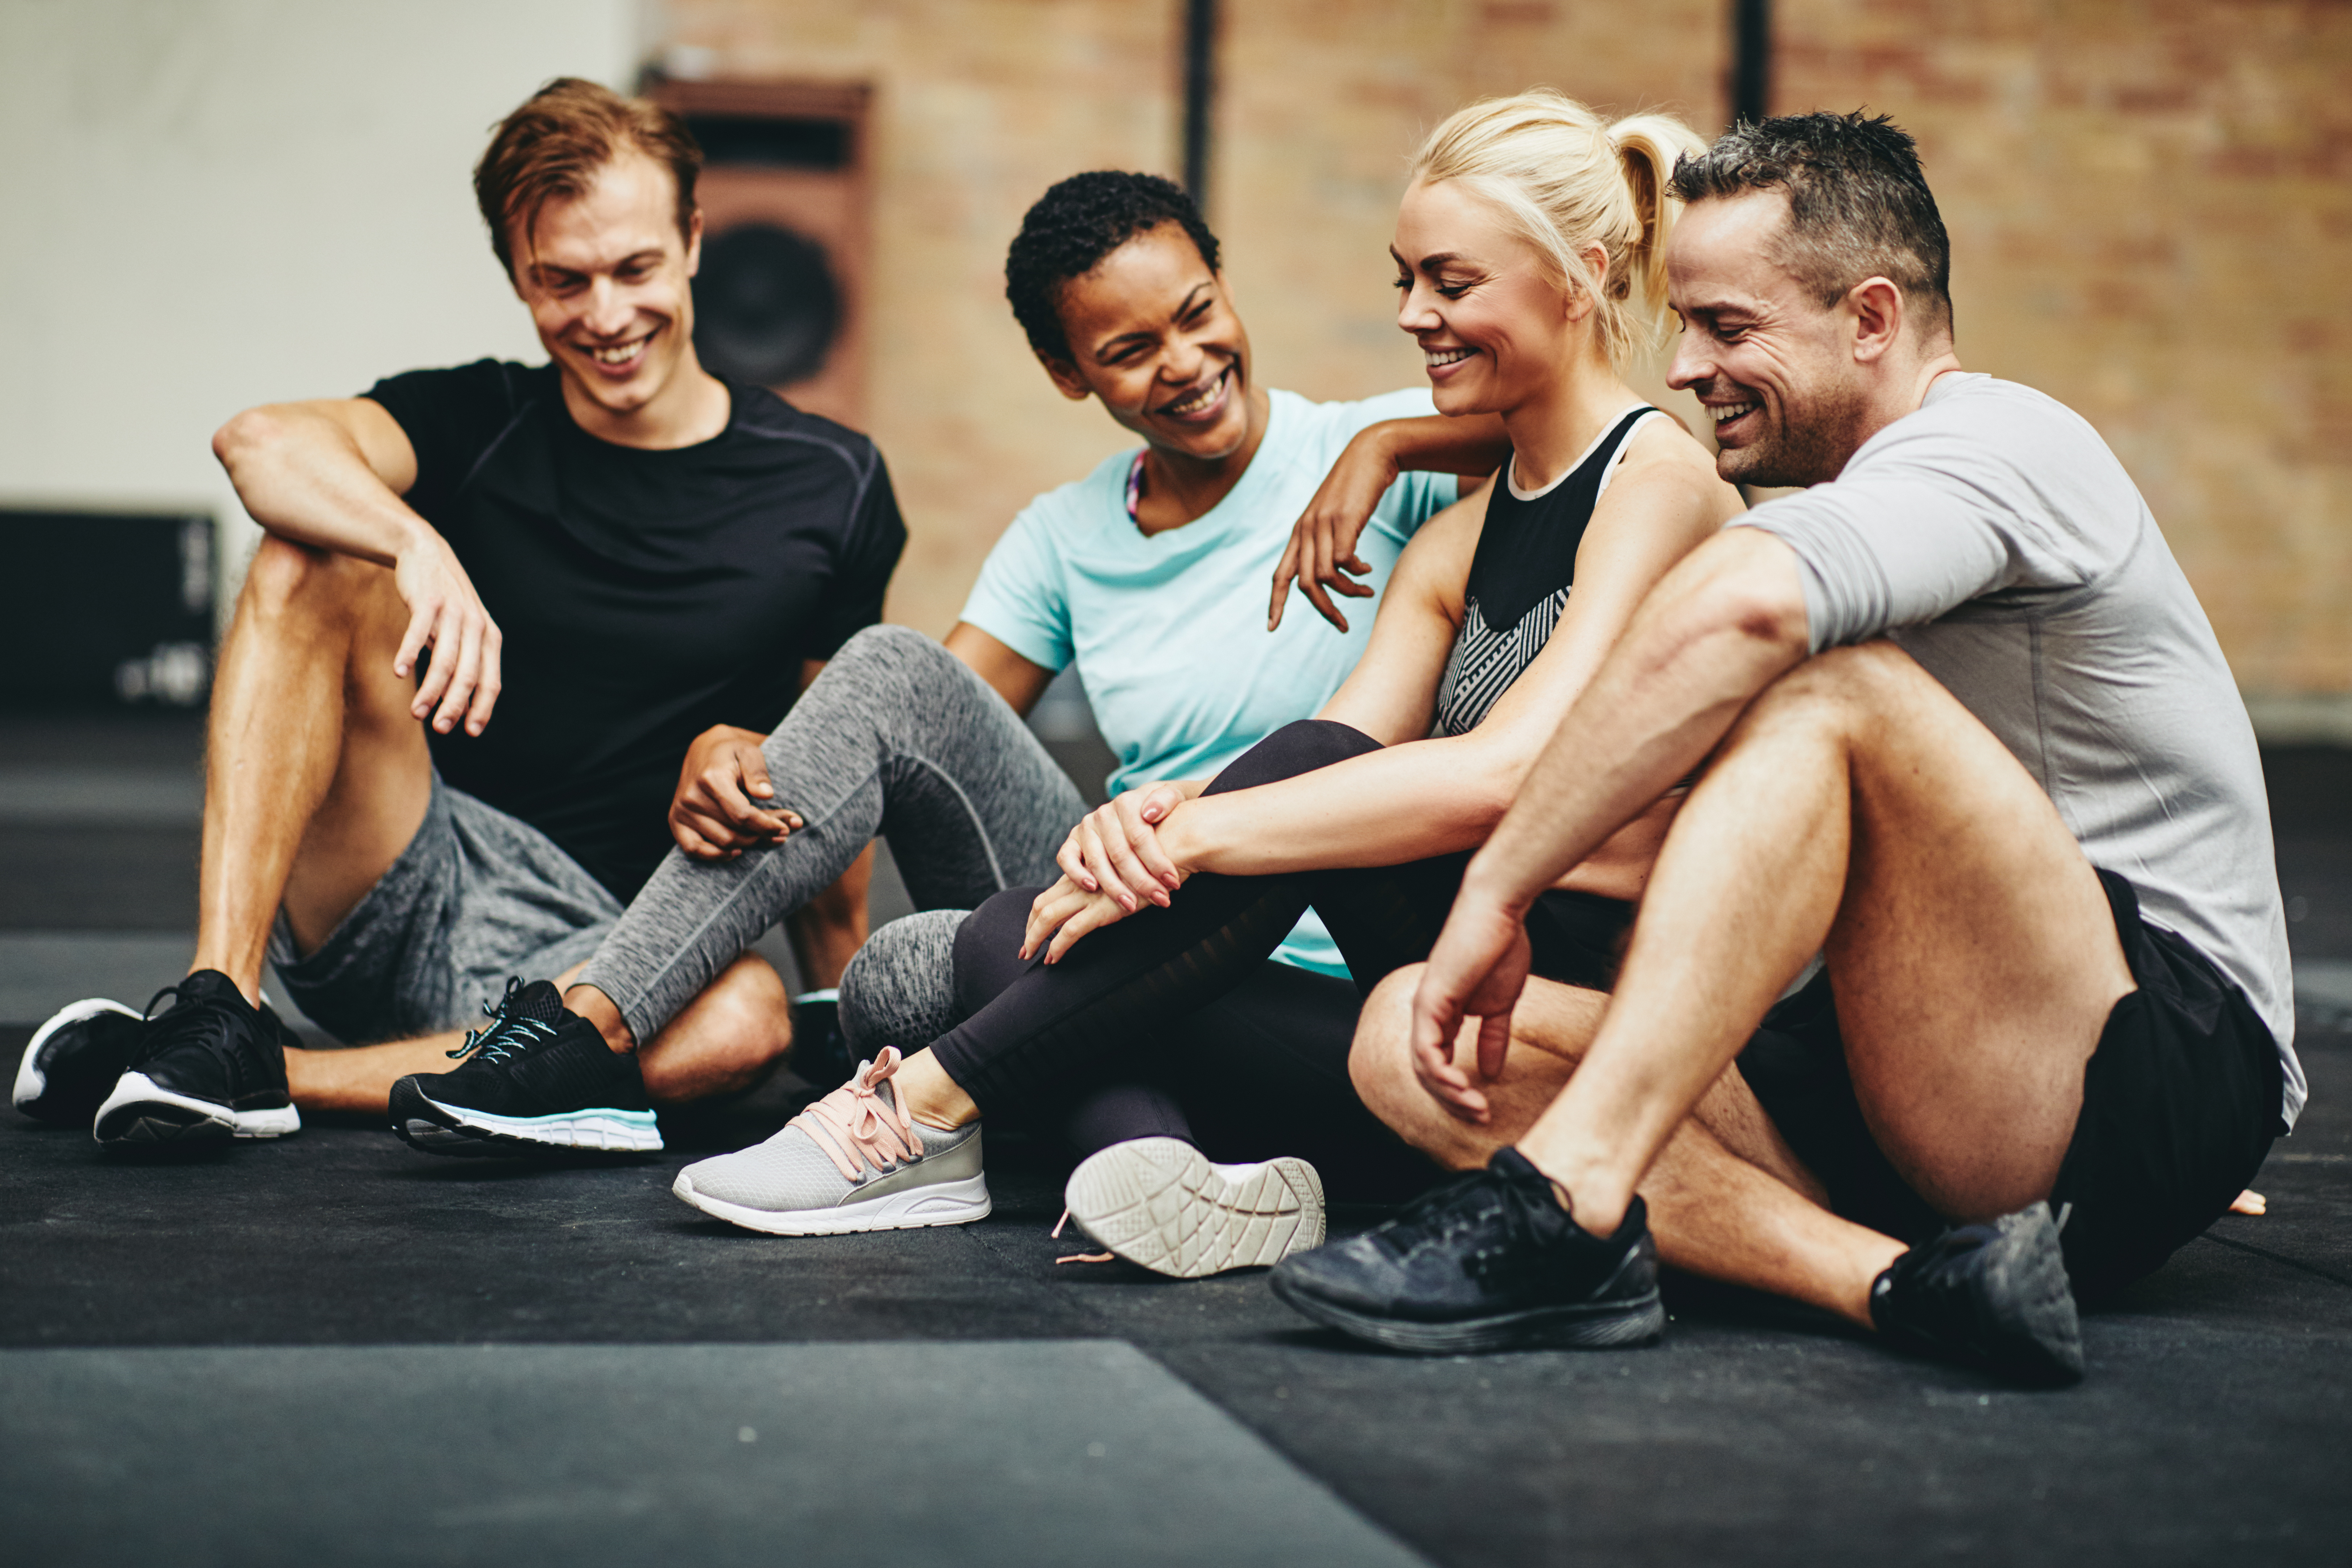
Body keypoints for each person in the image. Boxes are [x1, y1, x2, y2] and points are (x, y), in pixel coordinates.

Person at [1270, 111, 2301, 1386]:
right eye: (1686, 322)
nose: (1687, 365)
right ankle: (1906, 1285)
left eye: (1727, 328)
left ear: (1870, 319)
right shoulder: (1843, 501)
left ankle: (1570, 1201)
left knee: (1827, 693)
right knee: (1407, 1043)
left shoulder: (2002, 447)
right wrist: (1397, 438)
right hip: (1905, 1073)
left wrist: (1500, 887)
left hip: (2146, 1068)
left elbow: (1749, 610)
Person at [669, 92, 1748, 1266]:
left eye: (1449, 282)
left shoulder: (1661, 483)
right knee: (1008, 940)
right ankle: (1161, 1177)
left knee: (1143, 884)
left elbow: (1509, 775)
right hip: (1422, 1006)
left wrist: (1193, 835)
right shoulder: (1455, 541)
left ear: (1579, 274)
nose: (1412, 315)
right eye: (1406, 280)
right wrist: (1146, 825)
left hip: (1558, 1016)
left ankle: (918, 1113)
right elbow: (1343, 740)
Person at [378, 169, 1508, 1186]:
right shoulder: (1064, 537)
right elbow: (898, 731)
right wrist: (741, 748)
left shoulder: (1388, 454)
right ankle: (593, 1029)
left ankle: (1122, 1136)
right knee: (891, 959)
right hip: (1121, 898)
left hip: (1309, 949)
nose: (1187, 364)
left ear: (1224, 287)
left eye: (1199, 313)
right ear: (1070, 376)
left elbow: (1574, 423)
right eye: (1128, 351)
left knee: (953, 971)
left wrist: (1391, 448)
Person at [11, 79, 901, 1148]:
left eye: (635, 269)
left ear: (695, 238)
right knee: (311, 547)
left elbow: (832, 768)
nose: (607, 316)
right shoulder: (470, 418)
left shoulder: (833, 481)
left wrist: (853, 1017)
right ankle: (219, 1001)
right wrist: (412, 539)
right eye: (561, 281)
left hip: (623, 951)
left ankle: (257, 1072)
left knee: (747, 1016)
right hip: (413, 873)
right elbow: (259, 442)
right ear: (517, 277)